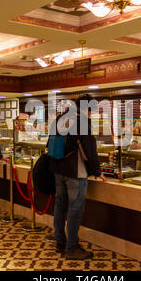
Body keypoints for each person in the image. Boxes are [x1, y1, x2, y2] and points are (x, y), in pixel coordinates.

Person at [49, 94, 107, 260]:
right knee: (75, 208)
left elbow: (49, 143)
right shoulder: (81, 121)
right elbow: (89, 150)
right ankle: (72, 248)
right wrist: (97, 171)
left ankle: (60, 242)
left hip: (57, 168)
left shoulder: (60, 118)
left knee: (60, 205)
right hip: (75, 171)